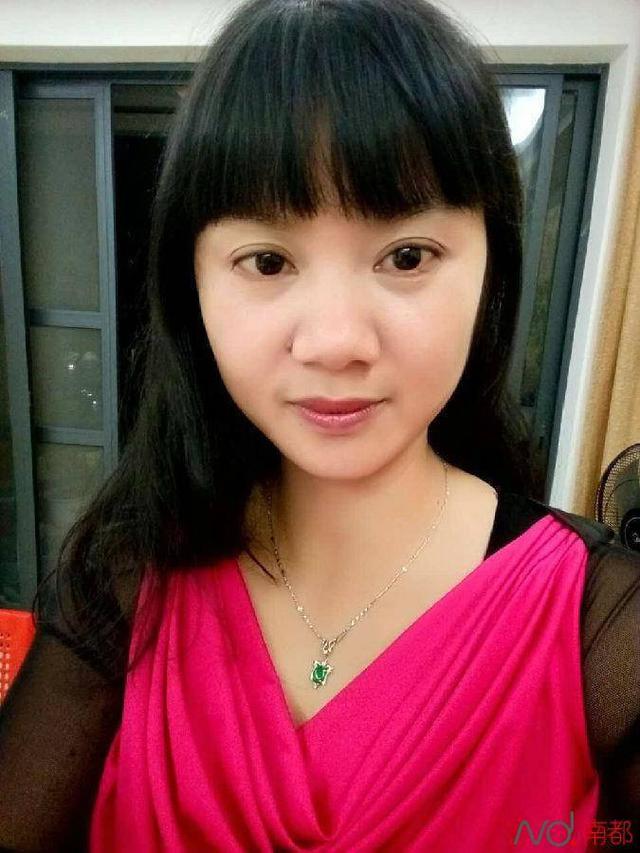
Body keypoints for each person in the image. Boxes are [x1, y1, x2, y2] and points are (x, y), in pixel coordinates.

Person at [0, 0, 638, 849]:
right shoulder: (123, 584)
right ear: (193, 286)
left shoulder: (600, 628)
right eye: (266, 261)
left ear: (493, 267)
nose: (336, 341)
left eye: (406, 256)